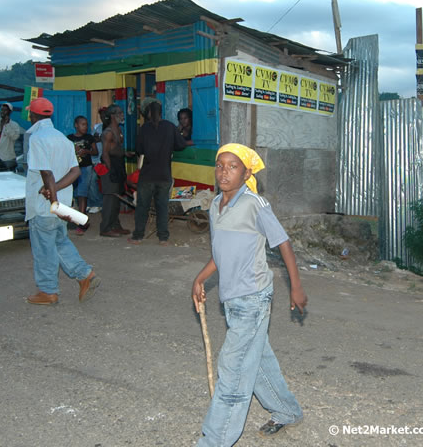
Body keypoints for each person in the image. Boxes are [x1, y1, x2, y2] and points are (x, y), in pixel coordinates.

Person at [191, 143, 307, 446]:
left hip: (254, 298)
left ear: (246, 172)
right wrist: (200, 278)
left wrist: (295, 286)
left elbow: (283, 243)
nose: (224, 172)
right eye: (220, 165)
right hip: (231, 299)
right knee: (256, 360)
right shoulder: (216, 205)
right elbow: (221, 253)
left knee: (232, 368)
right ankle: (286, 411)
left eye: (233, 166)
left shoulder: (255, 204)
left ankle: (213, 441)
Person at [24, 97, 100, 306]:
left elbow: (46, 173)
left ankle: (48, 291)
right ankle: (85, 275)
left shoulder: (37, 138)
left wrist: (51, 195)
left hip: (45, 207)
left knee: (44, 249)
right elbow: (75, 171)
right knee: (60, 243)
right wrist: (56, 193)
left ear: (33, 115)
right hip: (61, 206)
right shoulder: (63, 139)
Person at [128, 100, 187, 245]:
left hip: (147, 175)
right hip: (164, 174)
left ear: (148, 113)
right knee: (162, 207)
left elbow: (139, 150)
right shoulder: (170, 126)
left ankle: (138, 236)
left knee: (143, 206)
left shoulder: (144, 128)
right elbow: (181, 145)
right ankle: (163, 238)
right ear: (161, 112)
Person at [98, 105, 129, 237]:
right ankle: (105, 228)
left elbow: (115, 149)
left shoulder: (118, 130)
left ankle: (115, 226)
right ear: (112, 116)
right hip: (110, 166)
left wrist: (125, 153)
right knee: (110, 198)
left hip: (118, 164)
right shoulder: (108, 132)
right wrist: (111, 170)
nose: (122, 115)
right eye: (120, 113)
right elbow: (105, 154)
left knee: (116, 198)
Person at [67, 115, 98, 235]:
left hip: (86, 168)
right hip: (73, 168)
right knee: (73, 193)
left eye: (86, 124)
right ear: (76, 125)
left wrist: (87, 151)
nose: (85, 127)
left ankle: (82, 221)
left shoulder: (89, 138)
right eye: (82, 124)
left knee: (82, 193)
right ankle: (75, 218)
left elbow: (96, 152)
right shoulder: (69, 138)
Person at [0, 103, 24, 170]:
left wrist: (7, 125)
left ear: (10, 112)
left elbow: (14, 137)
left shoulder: (14, 125)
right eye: (2, 110)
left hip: (8, 159)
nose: (2, 112)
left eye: (5, 110)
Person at [86, 107, 107, 214]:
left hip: (104, 161)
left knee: (92, 179)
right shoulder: (98, 127)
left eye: (105, 115)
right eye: (101, 115)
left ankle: (98, 203)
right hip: (94, 159)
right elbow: (92, 140)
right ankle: (91, 203)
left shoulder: (112, 128)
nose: (103, 117)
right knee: (87, 179)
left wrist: (101, 139)